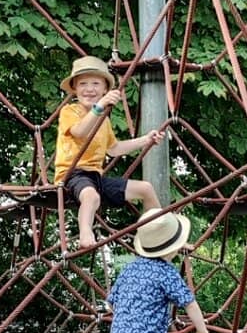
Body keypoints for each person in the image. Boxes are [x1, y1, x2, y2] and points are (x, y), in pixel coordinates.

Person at [54, 55, 167, 250]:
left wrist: (146, 140)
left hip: (96, 177)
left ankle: (160, 234)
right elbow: (80, 132)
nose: (89, 89)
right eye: (83, 84)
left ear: (105, 89)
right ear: (75, 89)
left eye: (96, 83)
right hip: (72, 174)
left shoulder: (103, 120)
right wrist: (99, 107)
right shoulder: (70, 111)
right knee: (92, 197)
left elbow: (114, 149)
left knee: (146, 188)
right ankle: (85, 233)